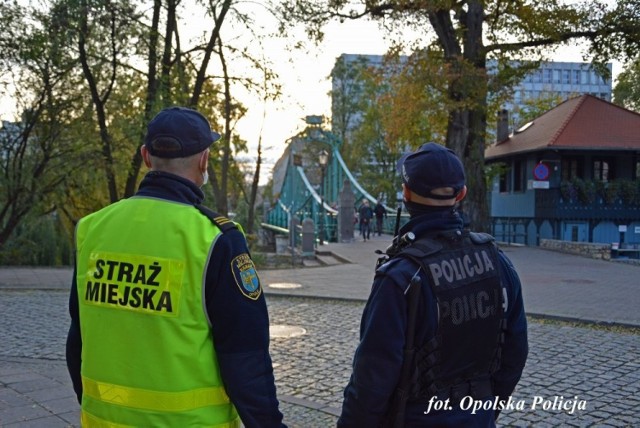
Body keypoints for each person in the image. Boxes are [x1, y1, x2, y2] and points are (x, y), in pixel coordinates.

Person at [66, 107, 286, 427]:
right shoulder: (215, 240)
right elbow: (245, 358)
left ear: (145, 157)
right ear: (204, 161)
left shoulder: (92, 229)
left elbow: (78, 340)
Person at [338, 143, 528, 427]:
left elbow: (371, 381)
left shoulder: (399, 278)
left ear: (405, 194)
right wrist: (485, 409)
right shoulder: (497, 262)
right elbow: (515, 353)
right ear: (461, 194)